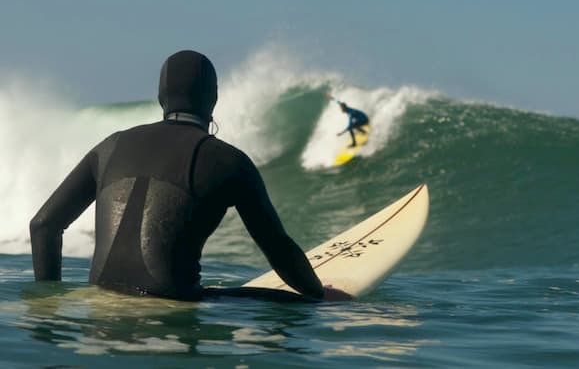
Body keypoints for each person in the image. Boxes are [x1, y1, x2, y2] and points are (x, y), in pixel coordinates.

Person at [29, 50, 349, 302]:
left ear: (161, 98)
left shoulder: (110, 145)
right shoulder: (228, 160)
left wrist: (50, 301)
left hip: (99, 305)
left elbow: (43, 225)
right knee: (303, 303)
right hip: (171, 308)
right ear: (213, 99)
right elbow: (278, 249)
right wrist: (317, 295)